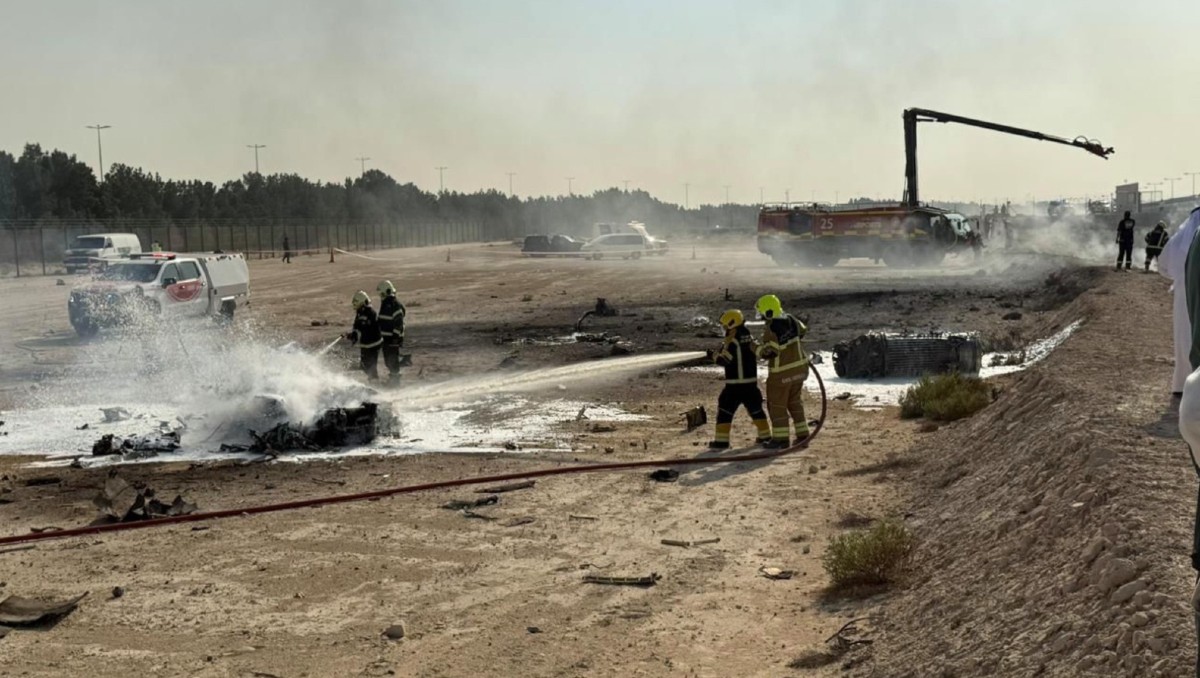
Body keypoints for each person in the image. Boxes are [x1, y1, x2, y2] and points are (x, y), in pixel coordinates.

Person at [705, 309, 771, 449]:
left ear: (731, 324)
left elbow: (725, 360)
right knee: (756, 410)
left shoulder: (732, 339)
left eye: (724, 326)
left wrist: (713, 356)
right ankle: (765, 436)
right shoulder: (747, 335)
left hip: (735, 385)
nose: (723, 329)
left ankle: (721, 442)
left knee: (725, 410)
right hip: (751, 384)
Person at [754, 294, 811, 448]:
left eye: (763, 314)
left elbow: (769, 352)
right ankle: (803, 435)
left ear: (768, 312)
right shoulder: (792, 319)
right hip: (800, 371)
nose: (762, 318)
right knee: (795, 403)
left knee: (777, 406)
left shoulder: (771, 328)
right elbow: (803, 330)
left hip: (781, 375)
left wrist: (754, 347)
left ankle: (780, 440)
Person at [1163, 209, 1200, 397]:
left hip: (1183, 292)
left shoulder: (1186, 235)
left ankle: (1184, 383)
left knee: (1186, 339)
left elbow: (1164, 262)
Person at [376, 280, 408, 385]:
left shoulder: (394, 304)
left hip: (392, 339)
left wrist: (395, 337)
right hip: (386, 339)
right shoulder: (385, 304)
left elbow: (398, 322)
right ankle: (394, 377)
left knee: (392, 360)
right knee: (388, 360)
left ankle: (395, 381)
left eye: (381, 293)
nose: (380, 296)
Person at [345, 290, 382, 381]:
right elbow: (357, 326)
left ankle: (375, 382)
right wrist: (352, 334)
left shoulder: (370, 313)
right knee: (365, 365)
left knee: (371, 367)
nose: (355, 306)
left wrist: (356, 334)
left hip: (373, 344)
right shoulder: (360, 313)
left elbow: (364, 327)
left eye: (356, 303)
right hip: (366, 344)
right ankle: (373, 379)